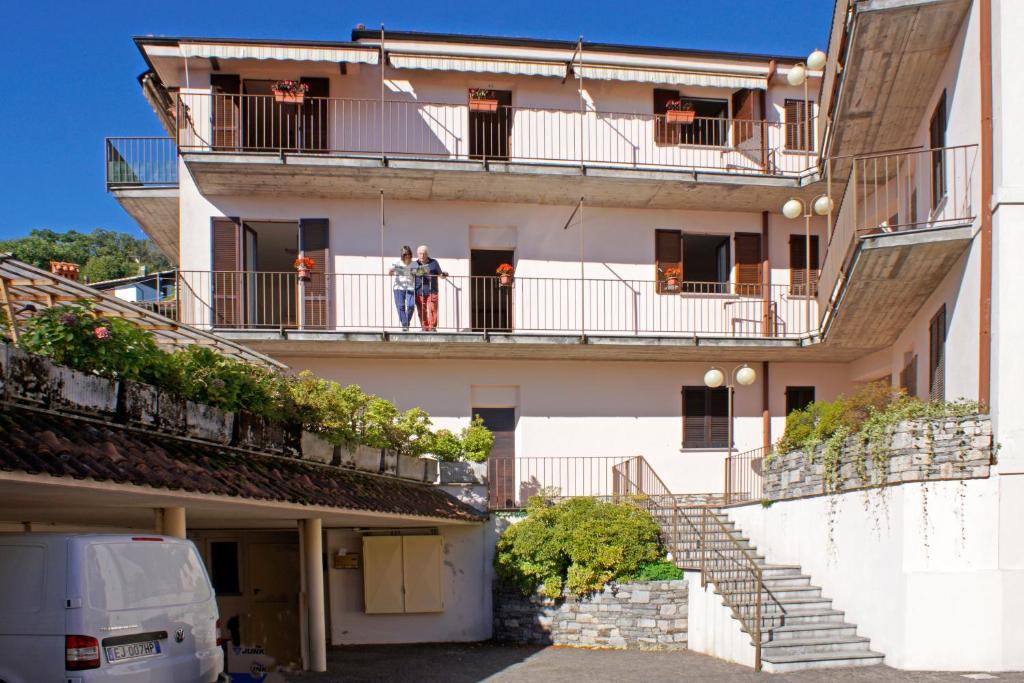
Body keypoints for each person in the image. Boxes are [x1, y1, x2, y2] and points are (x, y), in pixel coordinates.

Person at [413, 245, 448, 332]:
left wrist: (444, 274)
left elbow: (440, 274)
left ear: (427, 254)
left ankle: (432, 327)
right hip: (419, 291)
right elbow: (409, 273)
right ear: (417, 254)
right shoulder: (414, 264)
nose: (422, 256)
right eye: (420, 253)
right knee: (421, 311)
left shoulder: (434, 262)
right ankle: (424, 327)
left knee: (433, 309)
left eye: (424, 253)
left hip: (432, 290)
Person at [388, 245, 416, 331]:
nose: (407, 256)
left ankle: (405, 324)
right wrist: (391, 271)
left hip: (410, 287)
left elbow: (418, 273)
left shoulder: (414, 263)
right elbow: (390, 272)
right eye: (405, 254)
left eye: (408, 254)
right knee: (400, 306)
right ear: (402, 255)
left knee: (411, 305)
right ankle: (405, 325)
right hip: (398, 287)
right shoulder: (397, 262)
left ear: (411, 254)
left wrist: (417, 272)